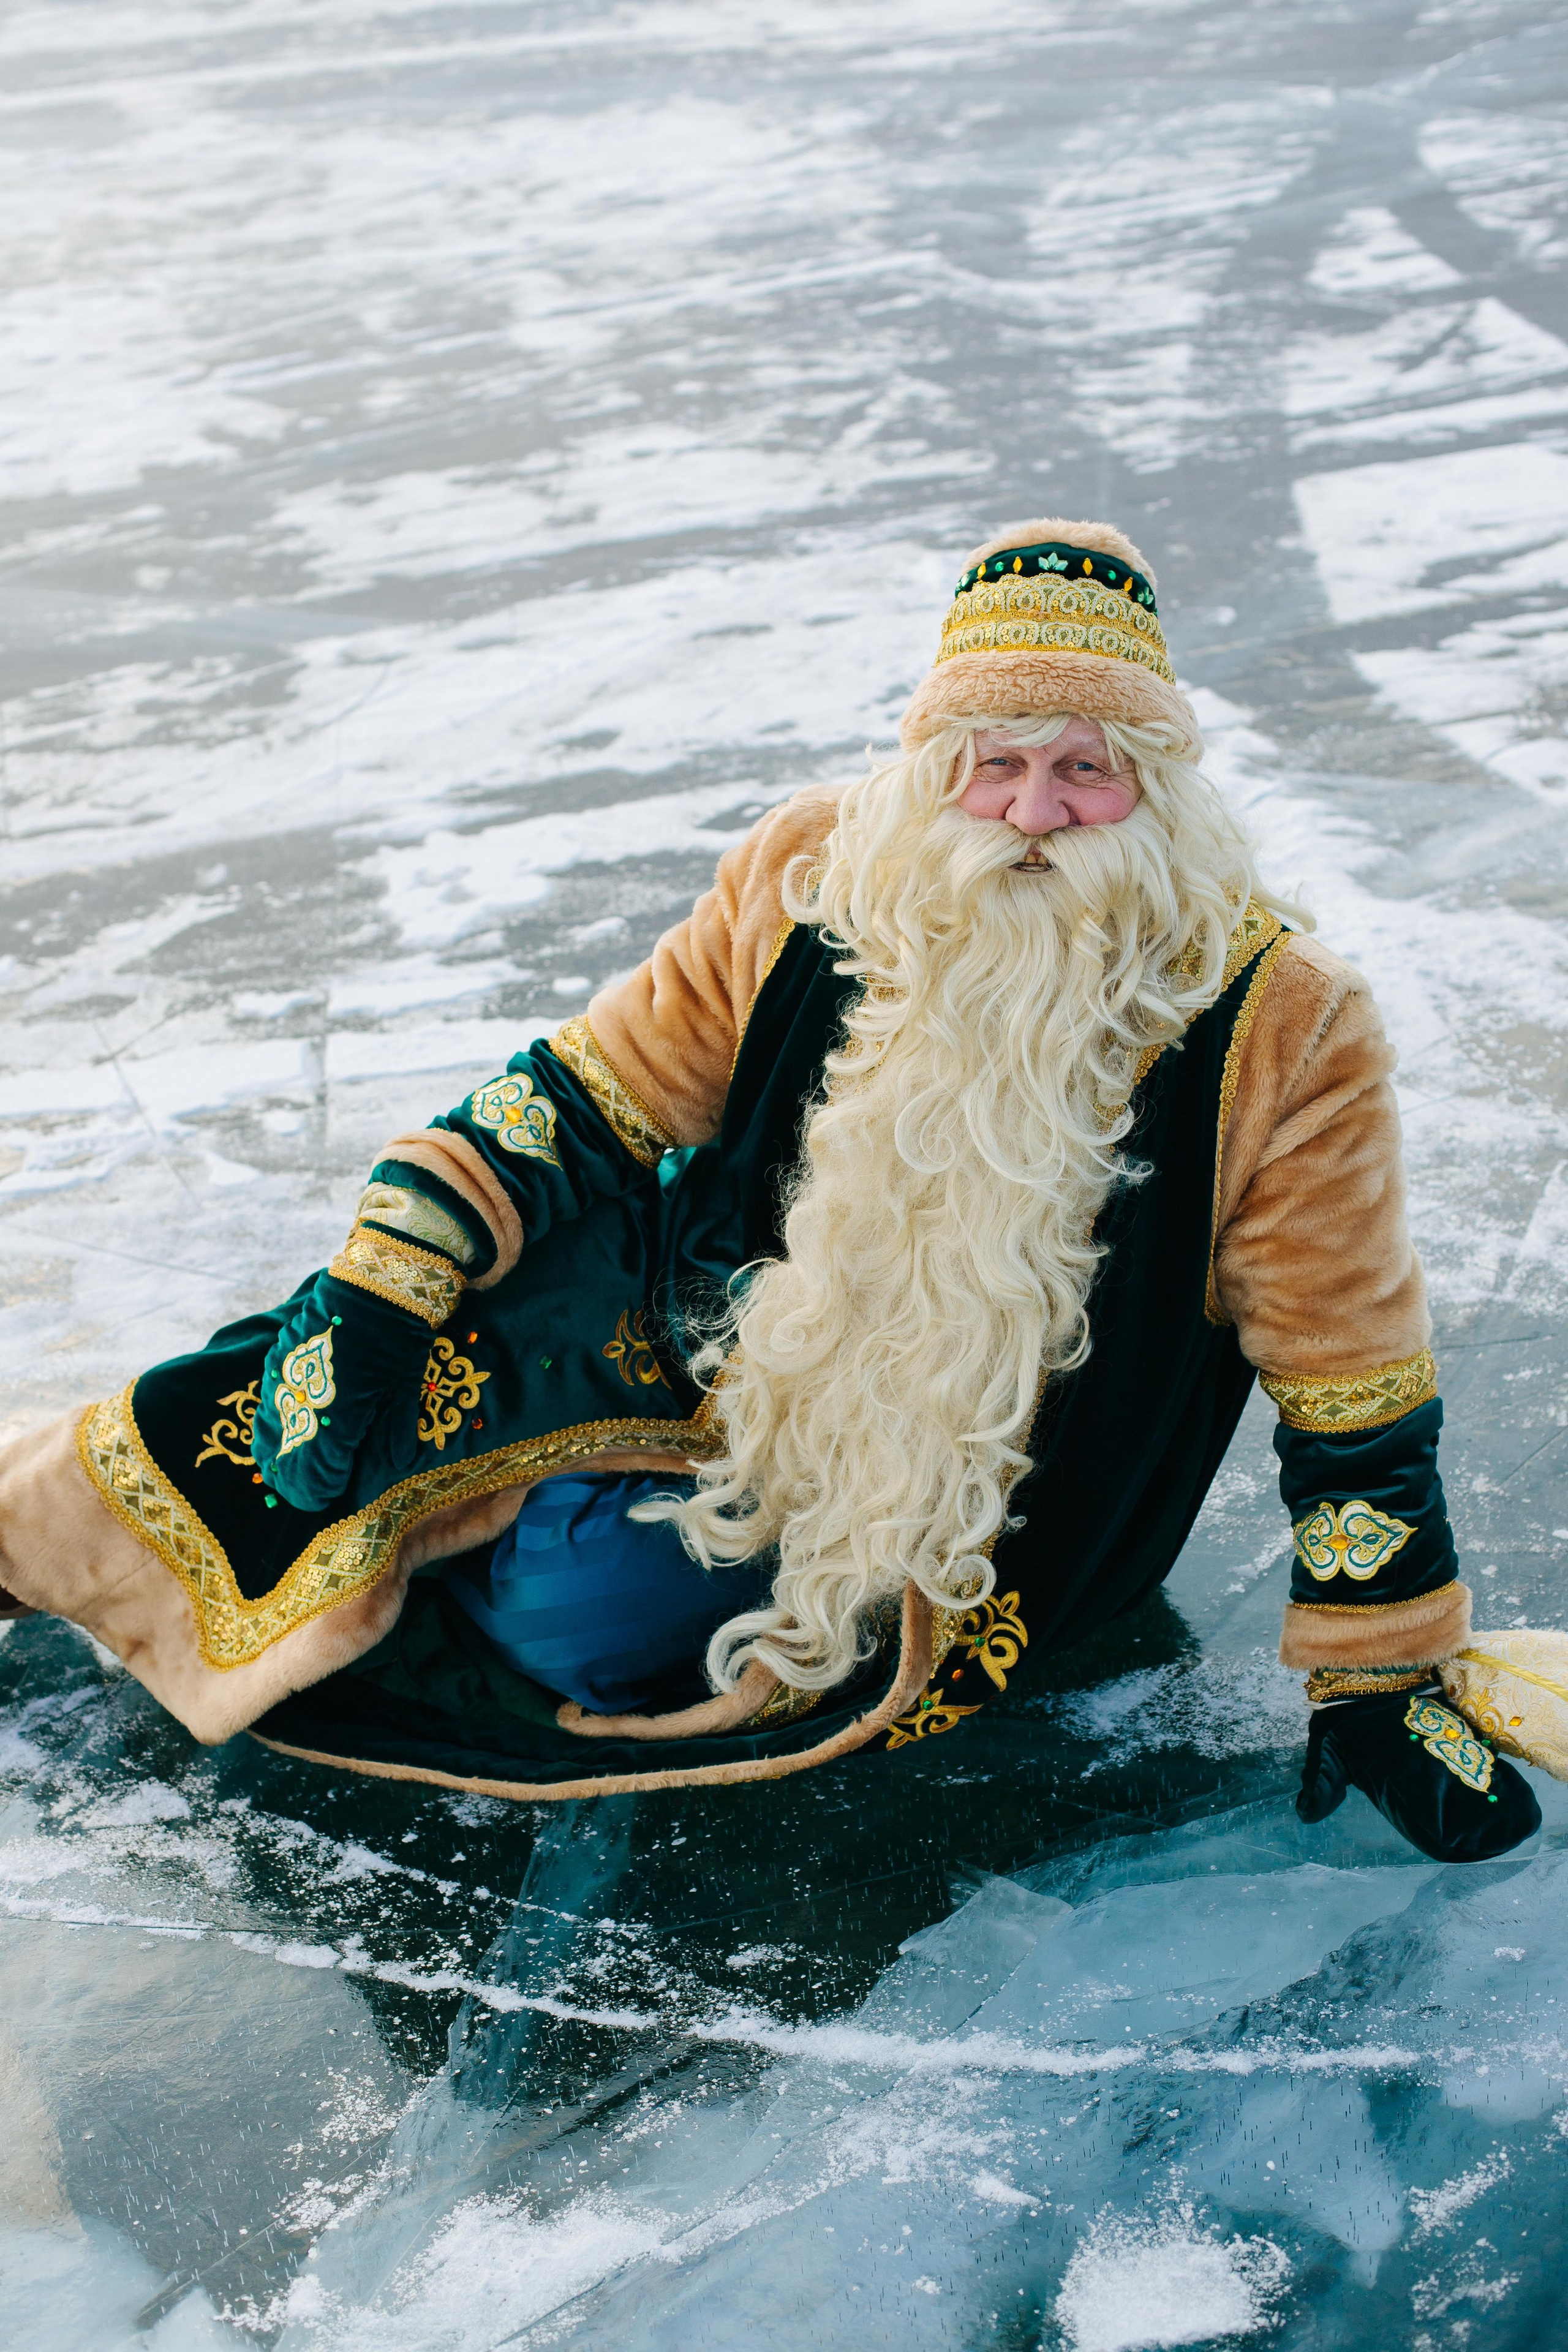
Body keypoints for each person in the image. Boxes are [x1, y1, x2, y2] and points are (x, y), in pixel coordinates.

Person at [0, 517, 1540, 1854]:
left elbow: (1342, 1357)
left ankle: (434, 1574)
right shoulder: (814, 866)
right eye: (990, 767)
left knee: (573, 1619)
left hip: (991, 1485)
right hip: (705, 1343)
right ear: (930, 765)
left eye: (1082, 774)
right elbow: (591, 1091)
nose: (1027, 815)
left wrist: (1377, 1665)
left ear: (1155, 785)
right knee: (262, 1408)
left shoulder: (1279, 1015)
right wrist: (383, 1272)